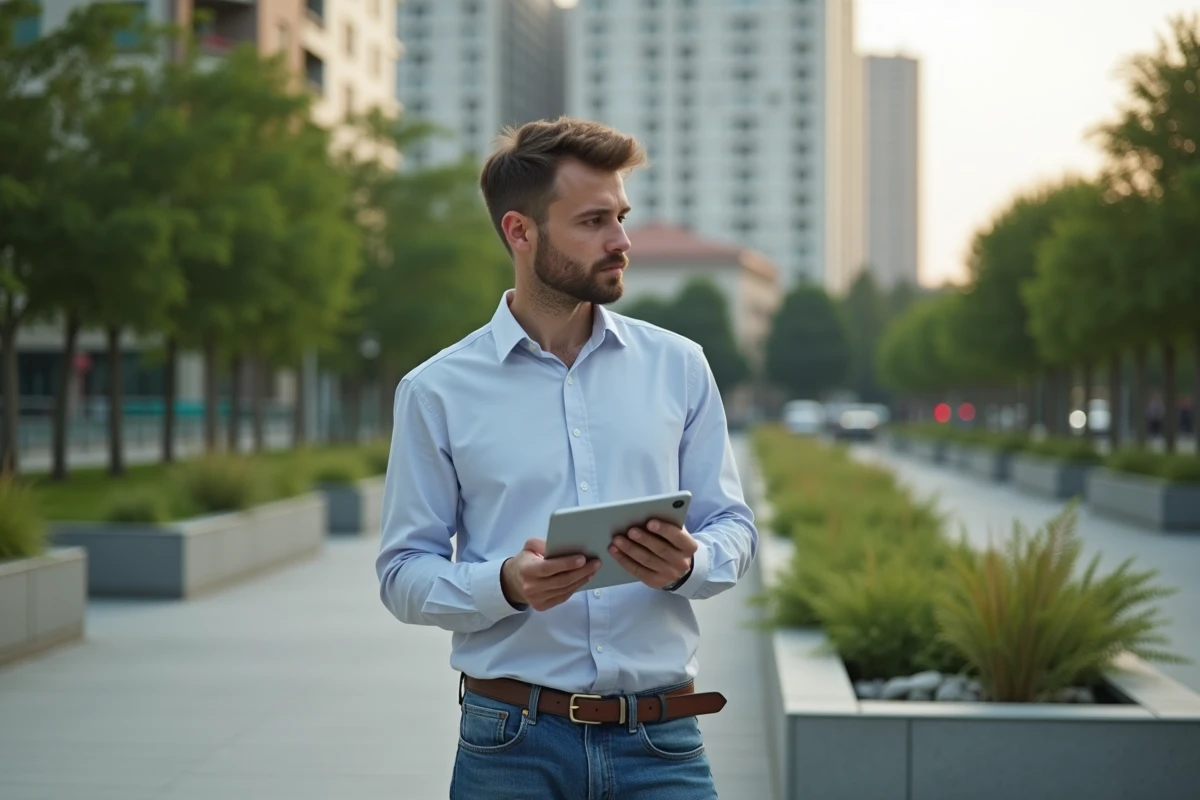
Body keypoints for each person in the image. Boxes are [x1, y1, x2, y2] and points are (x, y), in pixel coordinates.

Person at [375, 117, 758, 799]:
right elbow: (403, 573)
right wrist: (506, 584)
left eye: (621, 216)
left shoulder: (681, 367)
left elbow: (734, 526)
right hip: (511, 742)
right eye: (593, 222)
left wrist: (690, 562)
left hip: (661, 740)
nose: (622, 241)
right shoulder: (436, 391)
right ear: (520, 232)